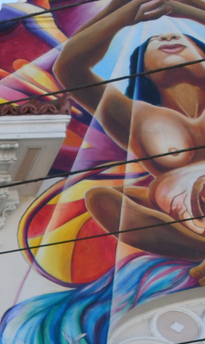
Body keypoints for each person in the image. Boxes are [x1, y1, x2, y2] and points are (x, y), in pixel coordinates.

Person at [56, 0, 205, 276]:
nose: (169, 36)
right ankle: (199, 248)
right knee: (102, 199)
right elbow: (69, 67)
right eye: (154, 41)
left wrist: (182, 7)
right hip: (182, 215)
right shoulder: (131, 115)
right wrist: (125, 9)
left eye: (182, 37)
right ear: (142, 69)